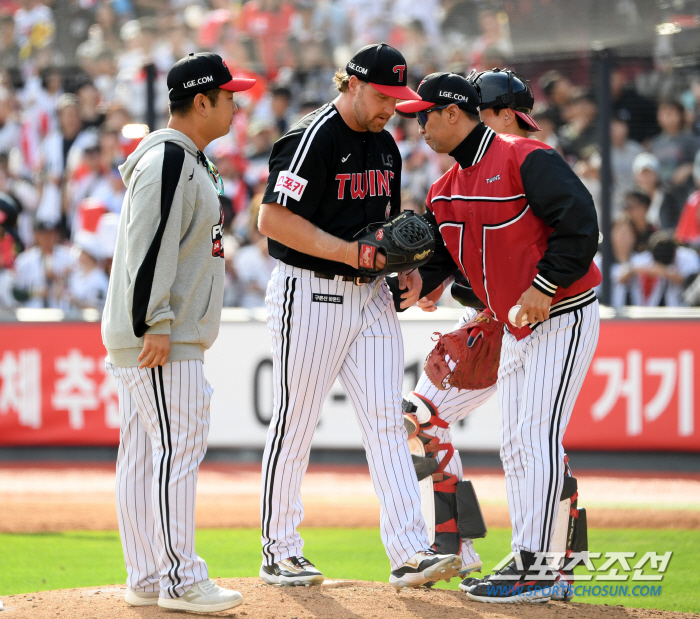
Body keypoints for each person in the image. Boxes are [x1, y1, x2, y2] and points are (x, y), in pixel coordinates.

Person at [256, 43, 461, 590]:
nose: (390, 107)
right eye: (382, 94)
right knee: (295, 424)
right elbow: (272, 219)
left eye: (398, 97)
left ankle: (410, 551)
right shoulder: (311, 137)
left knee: (387, 423)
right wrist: (349, 253)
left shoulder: (387, 147)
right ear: (350, 83)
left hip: (370, 297)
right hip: (312, 292)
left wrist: (407, 273)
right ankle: (280, 549)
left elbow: (385, 231)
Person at [395, 70, 601, 603]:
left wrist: (544, 285)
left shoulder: (525, 156)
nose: (418, 125)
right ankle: (533, 560)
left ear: (454, 114)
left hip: (561, 313)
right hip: (512, 326)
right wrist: (424, 277)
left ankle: (542, 565)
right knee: (516, 442)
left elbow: (580, 223)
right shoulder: (443, 189)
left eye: (425, 115)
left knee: (534, 438)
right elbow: (443, 255)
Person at [101, 52, 255, 613]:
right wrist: (156, 323)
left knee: (144, 454)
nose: (236, 106)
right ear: (201, 101)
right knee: (177, 449)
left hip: (152, 332)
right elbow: (150, 249)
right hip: (160, 335)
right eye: (229, 96)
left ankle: (146, 575)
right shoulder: (170, 158)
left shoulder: (181, 158)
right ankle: (180, 580)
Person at [392, 67, 544, 586]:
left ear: (493, 114)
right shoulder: (498, 167)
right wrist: (433, 279)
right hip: (513, 318)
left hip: (518, 320)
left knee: (422, 418)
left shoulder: (514, 164)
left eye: (490, 109)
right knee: (541, 446)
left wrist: (453, 283)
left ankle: (462, 546)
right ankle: (556, 557)